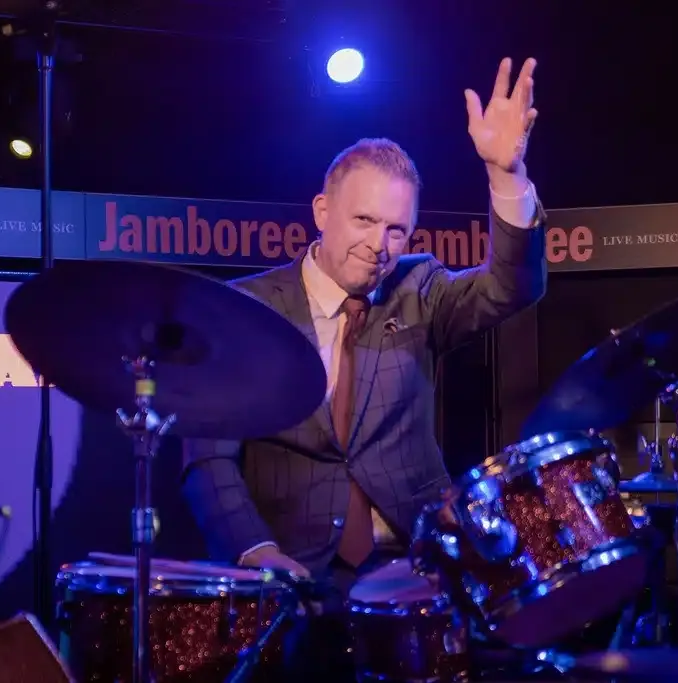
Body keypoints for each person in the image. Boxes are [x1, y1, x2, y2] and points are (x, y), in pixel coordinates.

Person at [181, 56, 548, 677]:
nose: (379, 246)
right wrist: (257, 551)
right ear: (322, 211)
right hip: (289, 571)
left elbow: (513, 287)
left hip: (413, 566)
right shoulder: (245, 310)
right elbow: (207, 460)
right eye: (364, 220)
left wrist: (504, 172)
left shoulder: (419, 289)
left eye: (397, 230)